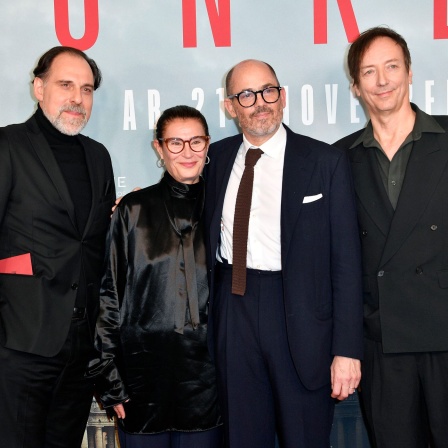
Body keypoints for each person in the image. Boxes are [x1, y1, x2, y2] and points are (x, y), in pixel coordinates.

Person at [203, 59, 363, 448]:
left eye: (269, 90)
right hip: (233, 308)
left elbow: (346, 262)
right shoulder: (216, 158)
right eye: (246, 94)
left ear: (283, 96)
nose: (261, 102)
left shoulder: (325, 162)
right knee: (241, 437)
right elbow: (177, 196)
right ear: (230, 106)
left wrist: (347, 351)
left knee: (305, 437)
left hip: (302, 319)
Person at [333, 26, 448, 448]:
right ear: (356, 87)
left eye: (392, 67)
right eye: (369, 72)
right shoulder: (339, 159)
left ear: (410, 72)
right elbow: (336, 259)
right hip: (382, 341)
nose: (382, 81)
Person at [88, 105, 223, 448]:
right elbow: (108, 297)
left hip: (210, 381)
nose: (188, 152)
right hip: (142, 380)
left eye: (196, 141)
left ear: (208, 145)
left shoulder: (226, 209)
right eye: (176, 142)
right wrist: (110, 379)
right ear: (159, 148)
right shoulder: (133, 211)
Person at [0, 47, 115, 447]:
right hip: (19, 345)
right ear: (38, 87)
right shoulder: (7, 145)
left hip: (79, 353)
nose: (77, 98)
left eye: (86, 89)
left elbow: (96, 247)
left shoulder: (98, 157)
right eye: (66, 85)